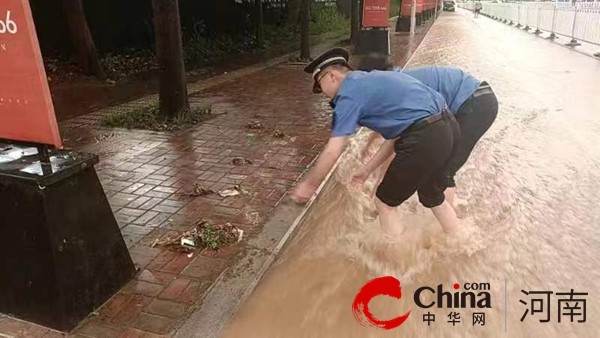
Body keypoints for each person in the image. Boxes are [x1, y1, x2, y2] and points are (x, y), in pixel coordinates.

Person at [290, 48, 460, 235]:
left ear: (331, 75)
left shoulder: (348, 95)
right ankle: (459, 244)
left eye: (319, 85)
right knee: (433, 195)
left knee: (384, 202)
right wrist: (366, 171)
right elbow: (400, 136)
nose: (323, 94)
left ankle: (394, 260)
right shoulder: (373, 80)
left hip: (426, 136)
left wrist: (309, 185)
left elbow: (333, 150)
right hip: (449, 127)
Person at [357, 54, 498, 210]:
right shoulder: (399, 80)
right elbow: (394, 132)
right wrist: (367, 147)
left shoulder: (401, 90)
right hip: (473, 100)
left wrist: (379, 185)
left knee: (443, 172)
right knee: (439, 166)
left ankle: (450, 219)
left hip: (476, 104)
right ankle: (450, 207)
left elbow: (398, 142)